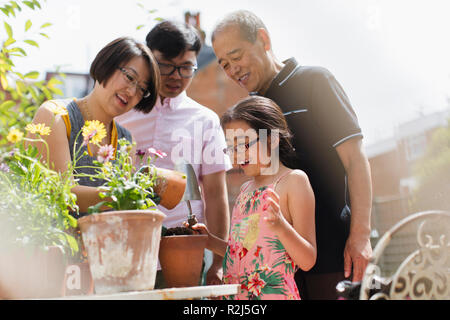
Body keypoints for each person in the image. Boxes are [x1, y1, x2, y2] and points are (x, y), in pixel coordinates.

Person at [211, 10, 373, 300]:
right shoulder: (252, 110)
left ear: (263, 39)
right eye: (224, 64)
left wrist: (360, 234)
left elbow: (355, 159)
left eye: (236, 57)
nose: (232, 69)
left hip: (332, 251)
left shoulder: (315, 81)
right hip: (277, 268)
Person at [116, 20, 231, 286]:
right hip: (126, 249)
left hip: (184, 251)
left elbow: (215, 193)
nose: (176, 76)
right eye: (165, 65)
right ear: (148, 58)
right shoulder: (122, 111)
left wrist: (217, 262)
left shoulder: (206, 120)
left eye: (186, 67)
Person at [188, 96, 316, 300]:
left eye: (245, 145)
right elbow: (242, 252)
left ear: (273, 139)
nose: (237, 155)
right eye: (231, 148)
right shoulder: (245, 190)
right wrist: (210, 241)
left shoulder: (294, 181)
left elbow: (308, 259)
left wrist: (281, 226)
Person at [27, 37, 160, 215]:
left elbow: (121, 217)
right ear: (106, 65)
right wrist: (128, 196)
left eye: (142, 89)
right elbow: (62, 195)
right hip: (52, 242)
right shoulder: (55, 116)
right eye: (129, 77)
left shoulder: (126, 141)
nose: (131, 92)